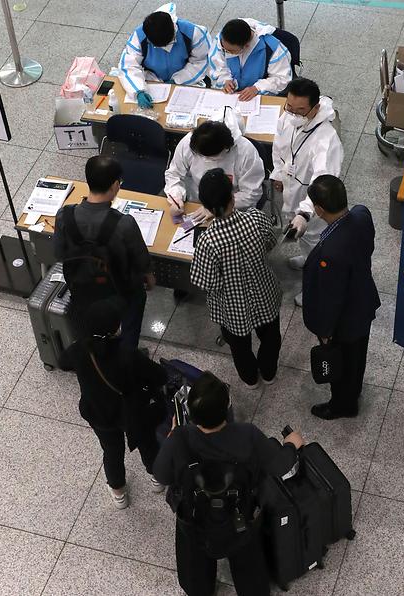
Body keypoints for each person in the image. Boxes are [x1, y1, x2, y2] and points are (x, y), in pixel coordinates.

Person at [154, 371, 305, 596]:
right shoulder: (248, 435)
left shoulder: (180, 439)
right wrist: (291, 445)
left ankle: (199, 589)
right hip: (240, 516)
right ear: (227, 410)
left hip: (195, 518)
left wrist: (171, 438)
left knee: (194, 562)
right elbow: (280, 467)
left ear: (191, 415)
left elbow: (162, 475)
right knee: (248, 564)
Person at [59, 299, 166, 509]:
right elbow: (159, 375)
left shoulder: (80, 350)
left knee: (111, 450)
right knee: (147, 444)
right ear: (116, 327)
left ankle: (119, 493)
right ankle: (156, 480)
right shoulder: (127, 354)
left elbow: (63, 363)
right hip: (131, 413)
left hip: (98, 412)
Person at [190, 169, 282, 388]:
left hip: (232, 306)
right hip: (264, 293)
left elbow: (206, 282)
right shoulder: (256, 219)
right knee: (270, 338)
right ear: (233, 196)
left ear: (207, 207)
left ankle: (250, 378)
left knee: (240, 347)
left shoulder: (207, 242)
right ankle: (268, 373)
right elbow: (270, 244)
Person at [54, 156, 156, 351]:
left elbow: (59, 253)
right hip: (120, 288)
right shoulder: (124, 223)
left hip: (81, 286)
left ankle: (96, 352)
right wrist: (149, 277)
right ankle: (128, 355)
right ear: (116, 185)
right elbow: (141, 259)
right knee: (136, 302)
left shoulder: (64, 215)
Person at [301, 175, 380, 420]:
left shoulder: (332, 252)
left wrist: (325, 331)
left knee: (342, 364)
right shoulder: (361, 214)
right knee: (357, 357)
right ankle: (353, 390)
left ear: (319, 209)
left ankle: (343, 405)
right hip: (363, 302)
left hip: (345, 320)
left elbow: (331, 298)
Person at [269, 78, 344, 306]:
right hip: (293, 189)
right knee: (305, 239)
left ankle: (316, 288)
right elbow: (279, 147)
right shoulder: (288, 118)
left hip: (315, 206)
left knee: (318, 244)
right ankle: (307, 257)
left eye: (300, 110)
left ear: (316, 108)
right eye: (289, 107)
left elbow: (322, 182)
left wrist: (305, 213)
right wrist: (279, 174)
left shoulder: (326, 139)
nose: (293, 114)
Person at [164, 120, 265, 222]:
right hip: (195, 203)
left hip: (231, 208)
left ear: (226, 148)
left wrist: (216, 208)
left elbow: (251, 193)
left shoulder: (245, 151)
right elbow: (174, 174)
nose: (206, 160)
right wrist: (176, 197)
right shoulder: (188, 143)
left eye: (212, 158)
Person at [119, 3, 212, 108]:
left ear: (174, 29)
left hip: (187, 79)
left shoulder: (194, 33)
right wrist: (138, 91)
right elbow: (128, 66)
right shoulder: (139, 37)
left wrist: (177, 80)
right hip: (152, 81)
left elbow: (201, 61)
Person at [210, 18, 291, 100]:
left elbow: (281, 78)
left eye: (230, 51)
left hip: (258, 97)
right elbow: (217, 62)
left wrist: (257, 88)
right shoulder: (223, 38)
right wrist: (225, 79)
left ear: (246, 46)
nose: (225, 51)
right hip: (231, 96)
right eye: (224, 48)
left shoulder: (273, 48)